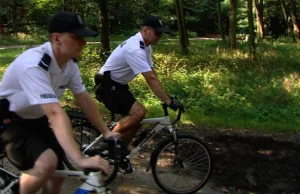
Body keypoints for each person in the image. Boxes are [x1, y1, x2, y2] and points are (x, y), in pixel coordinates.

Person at [0, 12, 119, 194]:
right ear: (57, 38)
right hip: (8, 120)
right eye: (77, 37)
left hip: (35, 117)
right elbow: (55, 113)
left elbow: (83, 98)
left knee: (58, 173)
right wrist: (79, 159)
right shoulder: (34, 64)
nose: (84, 42)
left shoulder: (69, 64)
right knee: (47, 163)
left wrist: (106, 132)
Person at [94, 16, 181, 154]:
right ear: (145, 31)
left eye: (161, 33)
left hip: (118, 85)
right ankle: (107, 143)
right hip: (108, 85)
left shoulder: (146, 46)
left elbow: (152, 72)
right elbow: (150, 78)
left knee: (136, 120)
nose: (160, 36)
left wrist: (165, 96)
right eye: (157, 33)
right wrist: (168, 101)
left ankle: (119, 154)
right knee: (139, 113)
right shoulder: (135, 48)